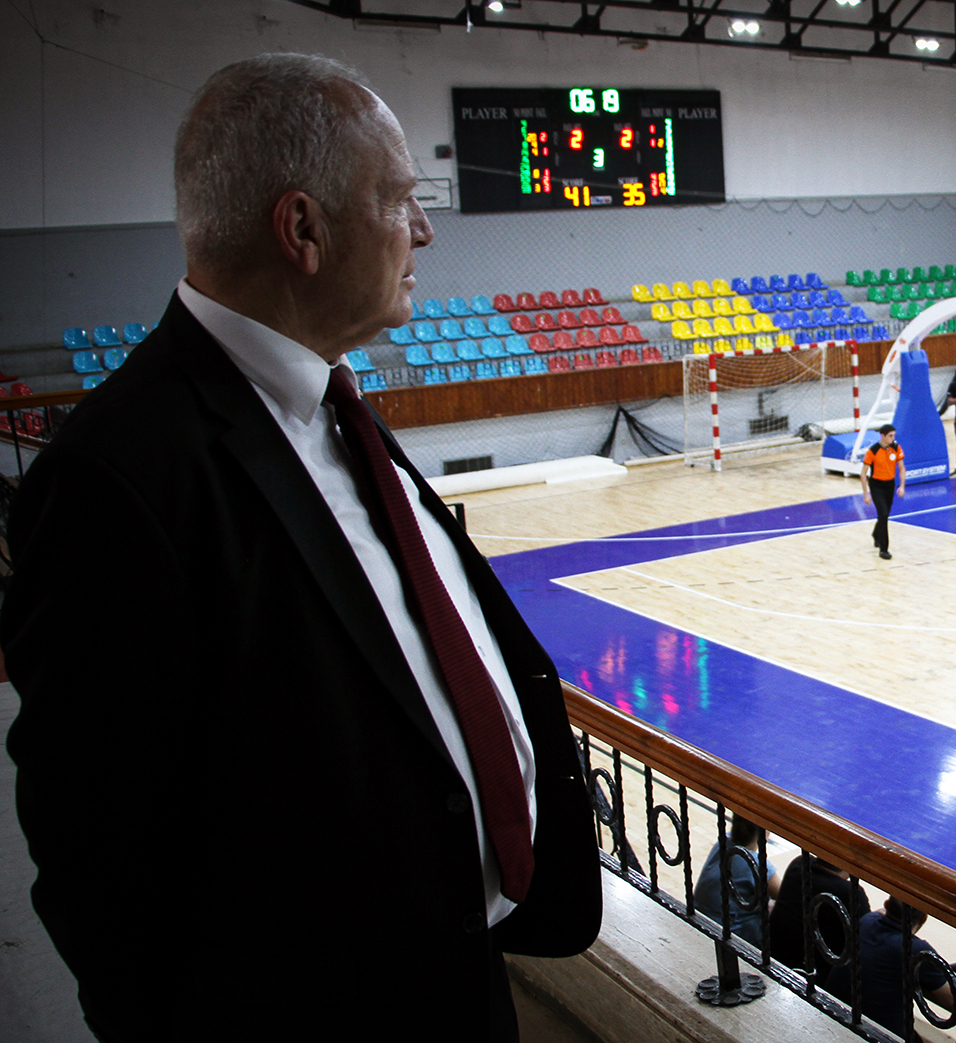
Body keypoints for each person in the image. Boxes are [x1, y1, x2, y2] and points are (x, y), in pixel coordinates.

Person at [0, 55, 602, 1041]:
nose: (423, 229)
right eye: (398, 198)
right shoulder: (116, 477)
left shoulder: (331, 405)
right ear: (303, 230)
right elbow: (94, 863)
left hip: (458, 977)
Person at [825, 898, 956, 1039]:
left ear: (886, 905)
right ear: (923, 918)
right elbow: (955, 1003)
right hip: (875, 1034)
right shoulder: (915, 950)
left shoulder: (867, 921)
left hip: (833, 1013)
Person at [768, 853, 870, 983]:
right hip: (812, 977)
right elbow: (867, 938)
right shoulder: (851, 894)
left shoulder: (799, 864)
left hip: (775, 958)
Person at [693, 815, 781, 949]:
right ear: (765, 832)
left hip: (700, 922)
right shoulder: (756, 864)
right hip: (730, 938)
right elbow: (786, 897)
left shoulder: (722, 843)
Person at [862, 423, 905, 558]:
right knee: (884, 513)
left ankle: (876, 533)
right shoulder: (873, 451)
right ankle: (883, 549)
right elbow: (863, 473)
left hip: (889, 485)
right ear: (883, 436)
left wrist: (902, 485)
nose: (893, 438)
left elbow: (901, 468)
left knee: (884, 515)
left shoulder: (896, 448)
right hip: (877, 486)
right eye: (890, 436)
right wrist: (866, 493)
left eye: (894, 435)